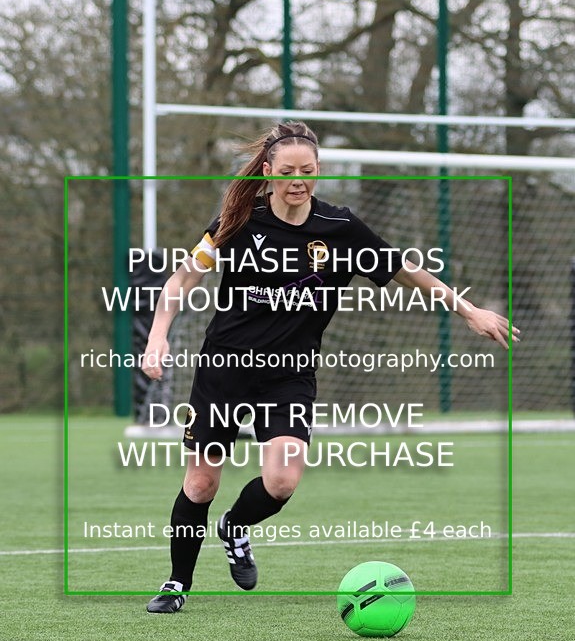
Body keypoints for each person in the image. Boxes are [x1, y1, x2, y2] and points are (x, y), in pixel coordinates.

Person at [142, 120, 518, 614]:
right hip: (225, 368)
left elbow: (405, 269)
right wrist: (157, 334)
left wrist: (467, 309)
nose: (299, 180)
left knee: (282, 481)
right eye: (289, 171)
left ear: (318, 171)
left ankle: (235, 527)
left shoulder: (340, 228)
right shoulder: (238, 221)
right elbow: (182, 279)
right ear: (268, 171)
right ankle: (177, 584)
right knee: (201, 482)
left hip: (290, 372)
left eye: (309, 170)